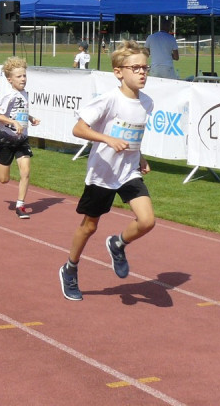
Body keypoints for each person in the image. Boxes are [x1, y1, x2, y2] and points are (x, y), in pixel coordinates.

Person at [59, 40, 155, 301]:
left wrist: (141, 157)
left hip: (128, 172)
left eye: (145, 67)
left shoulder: (147, 103)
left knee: (147, 221)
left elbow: (133, 136)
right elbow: (79, 129)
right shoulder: (109, 100)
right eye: (135, 68)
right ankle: (70, 267)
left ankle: (118, 243)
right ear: (118, 72)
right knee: (89, 226)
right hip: (103, 172)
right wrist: (107, 139)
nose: (142, 72)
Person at [0, 57, 40, 219]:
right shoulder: (8, 96)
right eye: (19, 77)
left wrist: (30, 119)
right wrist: (12, 122)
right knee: (4, 180)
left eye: (24, 75)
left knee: (25, 172)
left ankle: (20, 205)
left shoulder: (25, 94)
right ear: (9, 79)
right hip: (6, 139)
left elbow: (21, 111)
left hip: (22, 139)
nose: (23, 79)